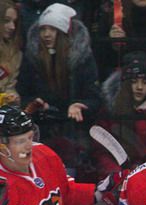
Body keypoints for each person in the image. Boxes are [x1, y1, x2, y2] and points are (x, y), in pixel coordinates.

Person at [17, 3, 100, 168]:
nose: (46, 34)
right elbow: (23, 92)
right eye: (43, 29)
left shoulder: (83, 59)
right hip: (41, 129)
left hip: (73, 132)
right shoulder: (32, 57)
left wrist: (80, 105)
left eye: (52, 29)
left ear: (62, 32)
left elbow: (94, 97)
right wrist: (35, 102)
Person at [94, 51, 146, 179]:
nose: (139, 87)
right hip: (120, 178)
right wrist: (117, 175)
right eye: (134, 82)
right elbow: (102, 151)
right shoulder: (110, 112)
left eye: (145, 82)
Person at [0, 0, 21, 107]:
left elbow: (10, 86)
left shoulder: (15, 54)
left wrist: (12, 97)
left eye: (14, 22)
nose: (12, 27)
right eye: (6, 21)